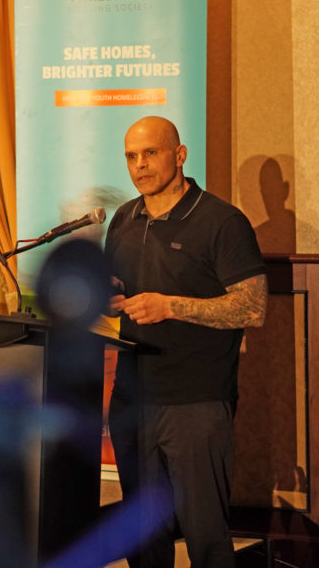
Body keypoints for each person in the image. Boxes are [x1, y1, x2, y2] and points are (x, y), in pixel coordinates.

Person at [105, 116, 268, 567]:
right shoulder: (123, 219)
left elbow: (252, 309)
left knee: (205, 535)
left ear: (179, 155)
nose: (140, 165)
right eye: (131, 157)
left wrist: (171, 306)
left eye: (150, 153)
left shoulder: (222, 221)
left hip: (196, 402)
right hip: (132, 398)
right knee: (142, 537)